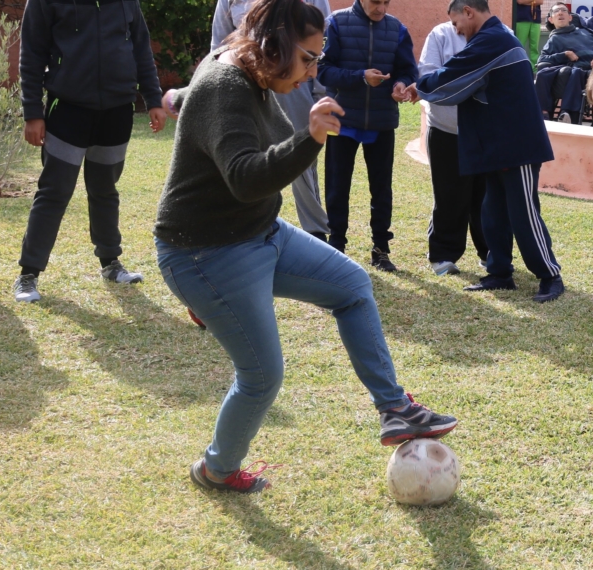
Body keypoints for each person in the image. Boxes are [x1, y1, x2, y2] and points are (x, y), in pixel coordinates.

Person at [155, 0, 457, 493]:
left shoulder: (246, 71)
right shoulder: (226, 83)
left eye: (319, 58)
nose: (314, 71)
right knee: (261, 376)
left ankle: (395, 409)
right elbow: (246, 178)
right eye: (310, 58)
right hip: (204, 253)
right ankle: (217, 468)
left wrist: (176, 97)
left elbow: (200, 97)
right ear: (273, 46)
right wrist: (311, 137)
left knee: (353, 285)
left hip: (260, 234)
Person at [409, 0, 566, 304]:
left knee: (523, 213)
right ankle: (499, 272)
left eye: (457, 24)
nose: (457, 31)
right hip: (496, 144)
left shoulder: (492, 40)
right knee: (492, 212)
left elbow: (452, 75)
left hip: (515, 145)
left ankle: (550, 275)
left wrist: (420, 86)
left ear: (469, 11)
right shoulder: (492, 39)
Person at [13, 0, 166, 303]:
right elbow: (30, 53)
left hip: (117, 110)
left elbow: (141, 49)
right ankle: (28, 274)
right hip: (67, 110)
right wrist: (32, 112)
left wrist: (153, 99)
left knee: (105, 190)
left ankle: (110, 263)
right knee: (54, 192)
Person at [210, 0, 333, 241]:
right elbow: (219, 45)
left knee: (302, 156)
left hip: (297, 81)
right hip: (246, 80)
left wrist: (319, 93)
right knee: (246, 154)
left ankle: (316, 232)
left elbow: (320, 43)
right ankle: (245, 230)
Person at [317, 0, 418, 271]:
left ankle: (381, 250)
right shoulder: (336, 23)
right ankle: (336, 247)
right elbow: (323, 71)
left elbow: (408, 70)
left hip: (381, 120)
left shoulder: (398, 29)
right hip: (343, 119)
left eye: (386, 2)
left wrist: (401, 84)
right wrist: (361, 76)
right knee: (338, 187)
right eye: (376, 2)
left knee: (381, 189)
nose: (381, 8)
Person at [419, 20, 491, 276]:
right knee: (450, 197)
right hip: (446, 131)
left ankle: (491, 254)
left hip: (484, 133)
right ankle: (443, 255)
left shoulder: (499, 35)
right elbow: (428, 76)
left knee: (486, 198)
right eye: (454, 20)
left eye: (459, 19)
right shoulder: (439, 34)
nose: (457, 26)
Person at [535, 2, 593, 124]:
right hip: (577, 70)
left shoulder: (587, 33)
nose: (560, 12)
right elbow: (542, 60)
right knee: (574, 72)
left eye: (564, 10)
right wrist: (564, 55)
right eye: (556, 11)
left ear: (570, 17)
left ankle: (571, 113)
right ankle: (562, 114)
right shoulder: (554, 39)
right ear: (551, 20)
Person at [514, 0, 544, 70]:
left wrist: (527, 2)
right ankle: (519, 68)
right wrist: (533, 2)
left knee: (534, 47)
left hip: (536, 20)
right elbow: (520, 1)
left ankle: (534, 69)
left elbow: (541, 1)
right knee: (520, 46)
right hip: (521, 19)